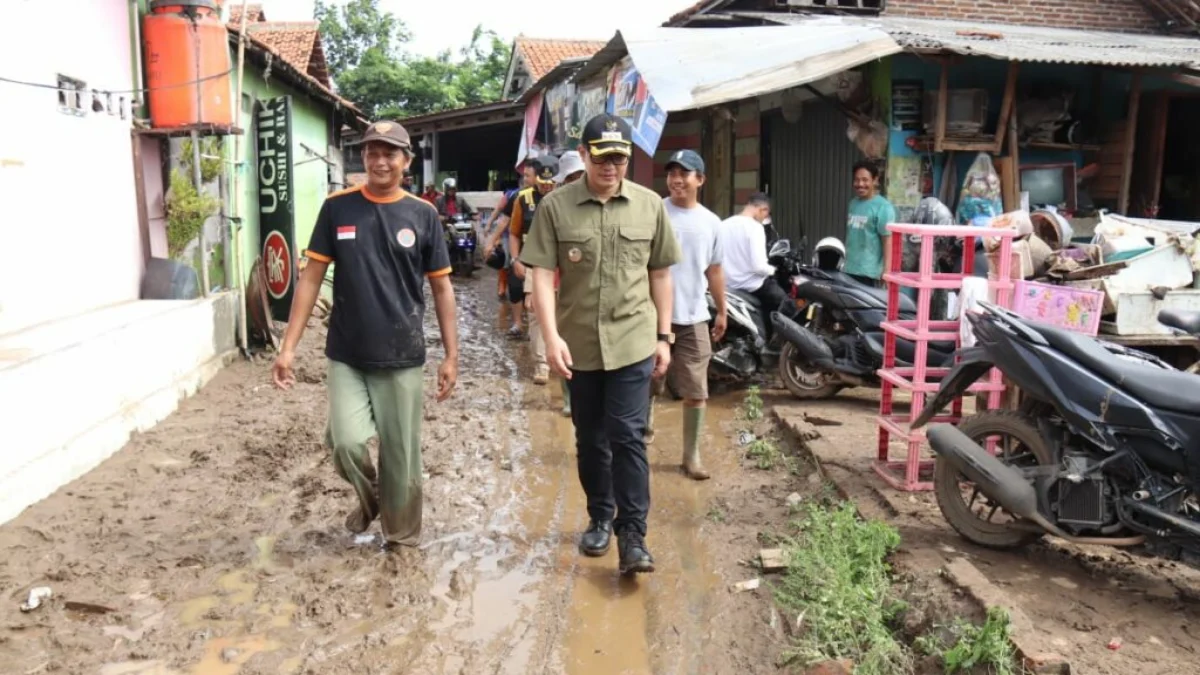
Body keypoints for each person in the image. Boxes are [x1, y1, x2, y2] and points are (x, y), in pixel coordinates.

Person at [272, 120, 458, 549]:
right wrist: (288, 347)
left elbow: (443, 287)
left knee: (402, 457)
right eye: (372, 152)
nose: (379, 160)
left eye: (389, 153)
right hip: (347, 353)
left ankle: (402, 537)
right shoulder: (338, 207)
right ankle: (372, 498)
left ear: (406, 161)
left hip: (402, 353)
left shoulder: (423, 214)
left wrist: (452, 355)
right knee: (345, 440)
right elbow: (311, 278)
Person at [520, 114, 681, 576]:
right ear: (585, 155)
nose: (610, 165)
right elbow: (542, 276)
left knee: (627, 436)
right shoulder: (556, 208)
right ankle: (600, 516)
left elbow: (661, 274)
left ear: (628, 158)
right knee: (589, 438)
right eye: (601, 156)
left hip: (633, 340)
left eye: (619, 157)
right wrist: (550, 339)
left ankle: (633, 535)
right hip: (579, 345)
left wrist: (664, 336)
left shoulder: (650, 207)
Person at [650, 149, 726, 481]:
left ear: (701, 180)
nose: (677, 179)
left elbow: (715, 270)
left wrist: (721, 310)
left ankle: (690, 455)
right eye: (672, 173)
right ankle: (640, 436)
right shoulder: (655, 212)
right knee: (646, 381)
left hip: (694, 316)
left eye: (685, 173)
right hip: (651, 315)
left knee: (697, 390)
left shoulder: (711, 222)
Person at [509, 156, 559, 384]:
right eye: (542, 181)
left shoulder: (567, 198)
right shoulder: (523, 199)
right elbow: (514, 232)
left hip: (563, 263)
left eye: (551, 181)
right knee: (536, 313)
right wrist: (515, 259)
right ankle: (541, 364)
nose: (547, 186)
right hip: (533, 262)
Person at [719, 193, 794, 330]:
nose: (764, 219)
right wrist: (774, 270)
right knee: (787, 304)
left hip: (728, 285)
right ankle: (774, 344)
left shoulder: (724, 224)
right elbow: (758, 266)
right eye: (766, 215)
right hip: (751, 285)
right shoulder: (755, 228)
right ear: (762, 210)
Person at [553, 149, 585, 418]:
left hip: (587, 290)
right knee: (564, 343)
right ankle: (568, 397)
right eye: (571, 177)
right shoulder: (554, 208)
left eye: (580, 175)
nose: (576, 181)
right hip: (559, 287)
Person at [844, 160, 898, 287]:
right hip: (849, 269)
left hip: (869, 273)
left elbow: (887, 240)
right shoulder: (853, 204)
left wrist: (887, 270)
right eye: (856, 180)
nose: (860, 184)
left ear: (875, 180)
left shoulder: (883, 207)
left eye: (865, 180)